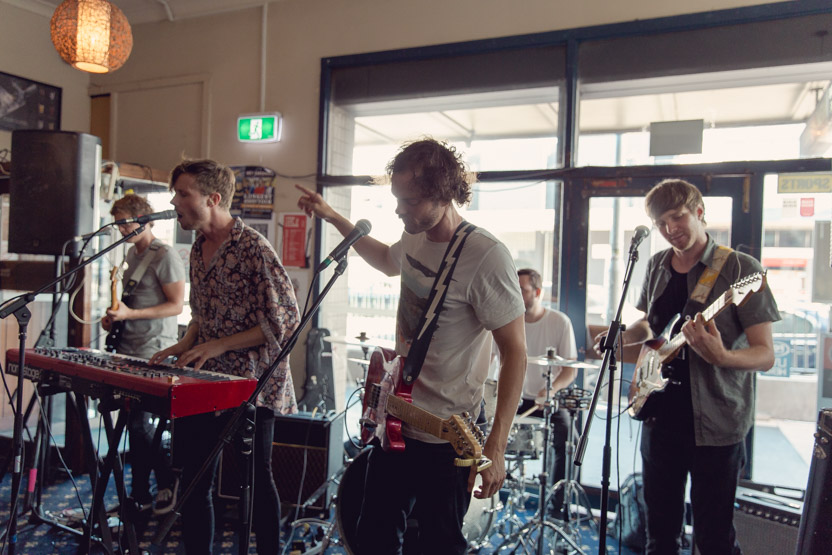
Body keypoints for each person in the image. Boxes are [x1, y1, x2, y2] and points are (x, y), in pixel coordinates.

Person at [296, 137, 527, 554]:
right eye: (396, 198)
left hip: (446, 437)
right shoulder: (415, 235)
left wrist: (496, 444)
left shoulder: (485, 256)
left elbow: (515, 352)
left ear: (444, 194)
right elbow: (385, 259)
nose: (400, 209)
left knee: (438, 545)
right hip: (397, 420)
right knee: (371, 536)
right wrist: (332, 217)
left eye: (411, 200)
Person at [594, 179, 779, 554]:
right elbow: (653, 325)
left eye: (677, 217)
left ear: (699, 212)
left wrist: (722, 356)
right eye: (660, 223)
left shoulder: (741, 269)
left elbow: (765, 354)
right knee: (659, 534)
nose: (669, 230)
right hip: (659, 417)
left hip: (716, 425)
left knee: (713, 538)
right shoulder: (658, 263)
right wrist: (622, 337)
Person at [148, 159, 300, 555]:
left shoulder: (254, 248)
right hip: (206, 379)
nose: (175, 201)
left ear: (213, 199)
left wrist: (219, 345)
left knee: (255, 477)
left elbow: (284, 322)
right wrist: (185, 343)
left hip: (252, 384)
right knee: (195, 479)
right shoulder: (197, 245)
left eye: (183, 193)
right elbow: (202, 313)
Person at [101, 194, 186, 516]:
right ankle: (145, 492)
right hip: (127, 347)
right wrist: (115, 317)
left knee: (139, 425)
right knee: (133, 425)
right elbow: (132, 303)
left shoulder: (163, 254)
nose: (122, 229)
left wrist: (130, 316)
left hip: (151, 350)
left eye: (126, 222)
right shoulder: (131, 255)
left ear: (144, 219)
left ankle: (151, 489)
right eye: (118, 223)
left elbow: (176, 305)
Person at [514, 268, 577, 517]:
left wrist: (550, 390)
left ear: (537, 292)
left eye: (522, 290)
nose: (517, 295)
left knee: (569, 440)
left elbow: (570, 370)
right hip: (517, 400)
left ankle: (556, 506)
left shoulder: (559, 322)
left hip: (548, 399)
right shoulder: (510, 322)